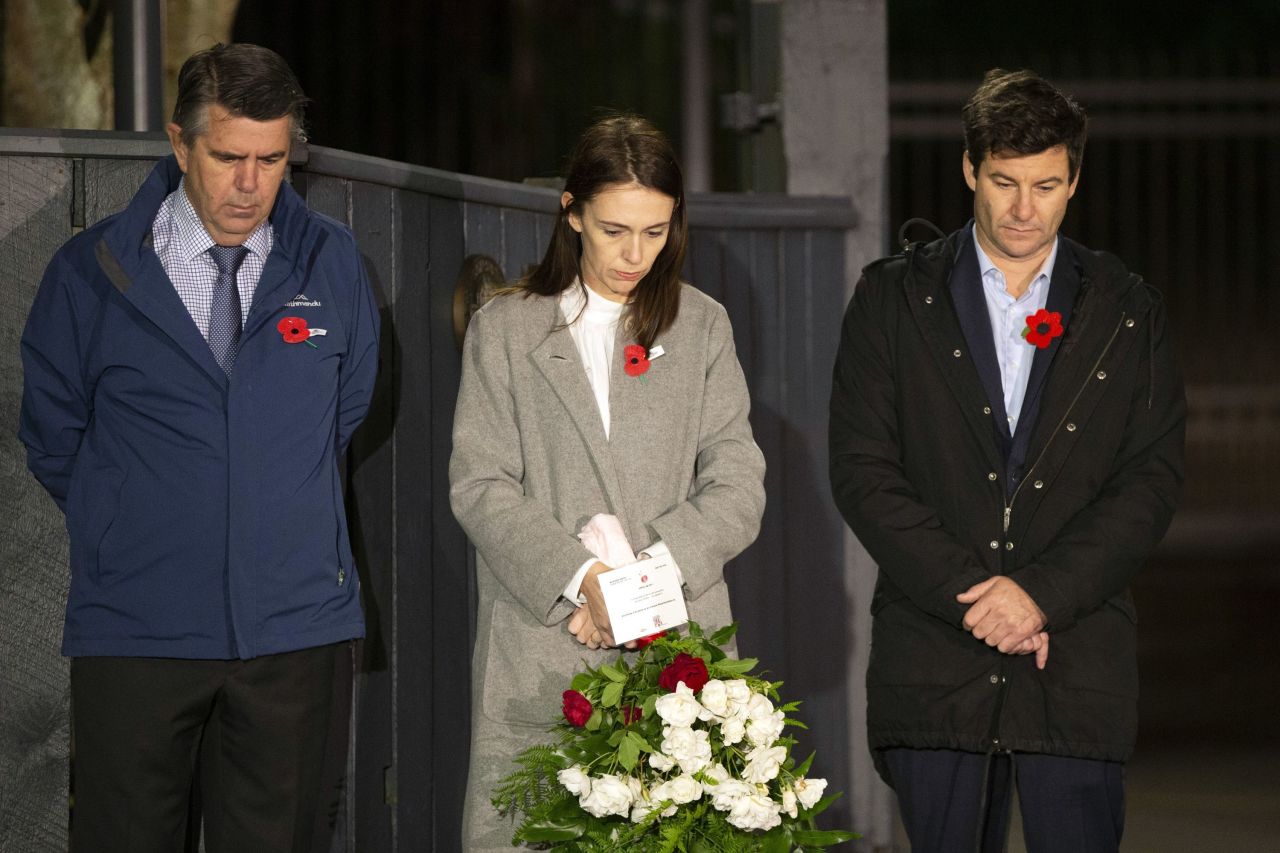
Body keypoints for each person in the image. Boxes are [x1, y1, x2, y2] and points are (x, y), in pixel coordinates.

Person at [18, 43, 380, 852]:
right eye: (227, 157)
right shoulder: (89, 272)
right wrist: (135, 522)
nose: (250, 184)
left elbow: (345, 406)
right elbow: (52, 433)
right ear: (181, 145)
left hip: (294, 635)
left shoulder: (334, 263)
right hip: (136, 631)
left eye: (272, 159)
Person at [829, 69, 1186, 853]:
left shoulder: (1128, 311)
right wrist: (982, 603)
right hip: (937, 657)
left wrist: (1040, 596)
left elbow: (1149, 481)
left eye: (1047, 184)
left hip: (1076, 660)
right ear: (969, 170)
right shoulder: (892, 301)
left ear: (1075, 180)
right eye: (1004, 182)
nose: (1025, 208)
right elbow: (862, 468)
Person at [449, 114, 766, 850]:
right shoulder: (506, 329)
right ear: (571, 212)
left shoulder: (704, 326)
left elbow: (738, 478)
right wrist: (582, 578)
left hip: (679, 652)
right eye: (615, 229)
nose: (636, 253)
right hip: (540, 652)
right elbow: (480, 483)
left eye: (656, 232)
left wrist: (634, 590)